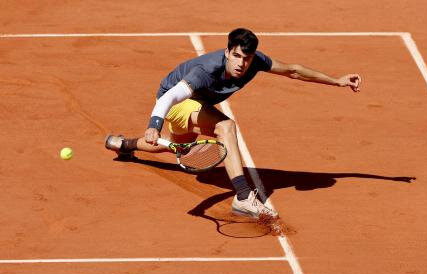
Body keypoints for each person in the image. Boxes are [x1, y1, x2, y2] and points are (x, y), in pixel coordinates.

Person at [105, 28, 361, 220]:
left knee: (177, 145)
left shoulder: (255, 61)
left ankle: (124, 145)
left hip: (195, 105)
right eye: (236, 56)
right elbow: (172, 96)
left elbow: (292, 70)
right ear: (227, 52)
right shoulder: (205, 70)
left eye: (246, 58)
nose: (241, 63)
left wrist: (336, 81)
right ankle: (242, 198)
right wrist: (154, 124)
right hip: (173, 100)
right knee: (225, 127)